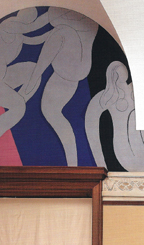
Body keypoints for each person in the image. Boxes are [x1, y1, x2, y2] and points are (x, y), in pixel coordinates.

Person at [0, 8, 50, 165]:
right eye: (29, 15)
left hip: (2, 78)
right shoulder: (8, 25)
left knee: (33, 70)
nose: (30, 18)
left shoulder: (18, 34)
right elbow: (33, 27)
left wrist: (54, 35)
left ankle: (17, 106)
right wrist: (53, 16)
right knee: (19, 107)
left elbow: (35, 39)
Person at [25, 7, 98, 166]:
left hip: (74, 68)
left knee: (63, 31)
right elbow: (44, 26)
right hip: (68, 72)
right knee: (50, 110)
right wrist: (25, 36)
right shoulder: (63, 26)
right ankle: (72, 162)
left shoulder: (85, 19)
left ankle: (32, 80)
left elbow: (53, 23)